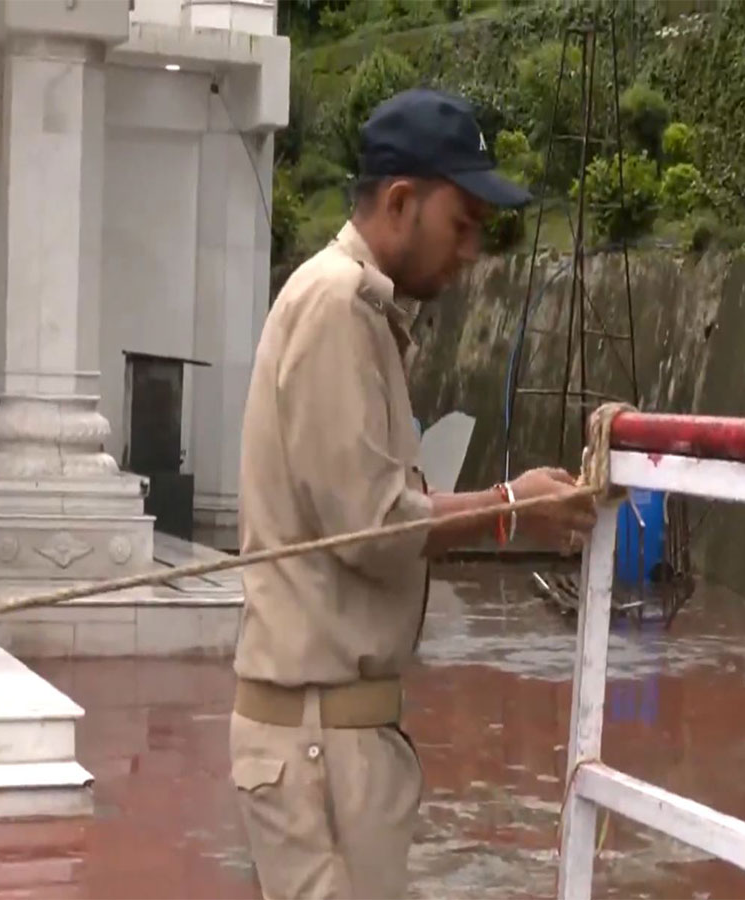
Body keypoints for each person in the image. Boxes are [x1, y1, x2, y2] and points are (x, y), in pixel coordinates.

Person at [229, 87, 598, 900]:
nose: (470, 251)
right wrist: (516, 506)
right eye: (460, 224)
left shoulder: (355, 309)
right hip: (319, 748)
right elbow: (372, 528)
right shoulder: (336, 307)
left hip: (334, 738)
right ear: (401, 201)